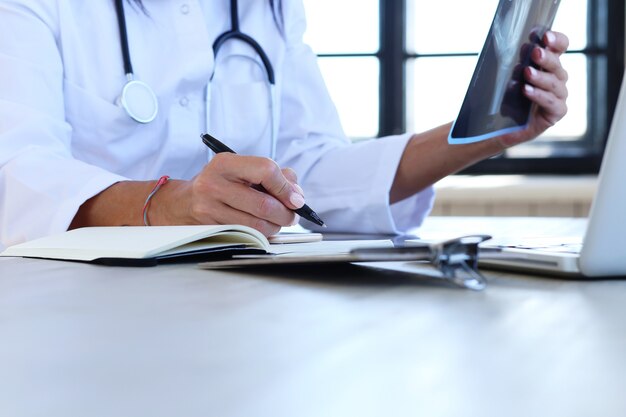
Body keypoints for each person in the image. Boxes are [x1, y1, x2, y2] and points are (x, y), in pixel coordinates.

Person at [0, 0, 569, 250]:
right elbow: (17, 175)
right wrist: (169, 205)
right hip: (71, 308)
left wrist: (479, 133)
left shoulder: (268, 6)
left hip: (228, 305)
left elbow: (310, 174)